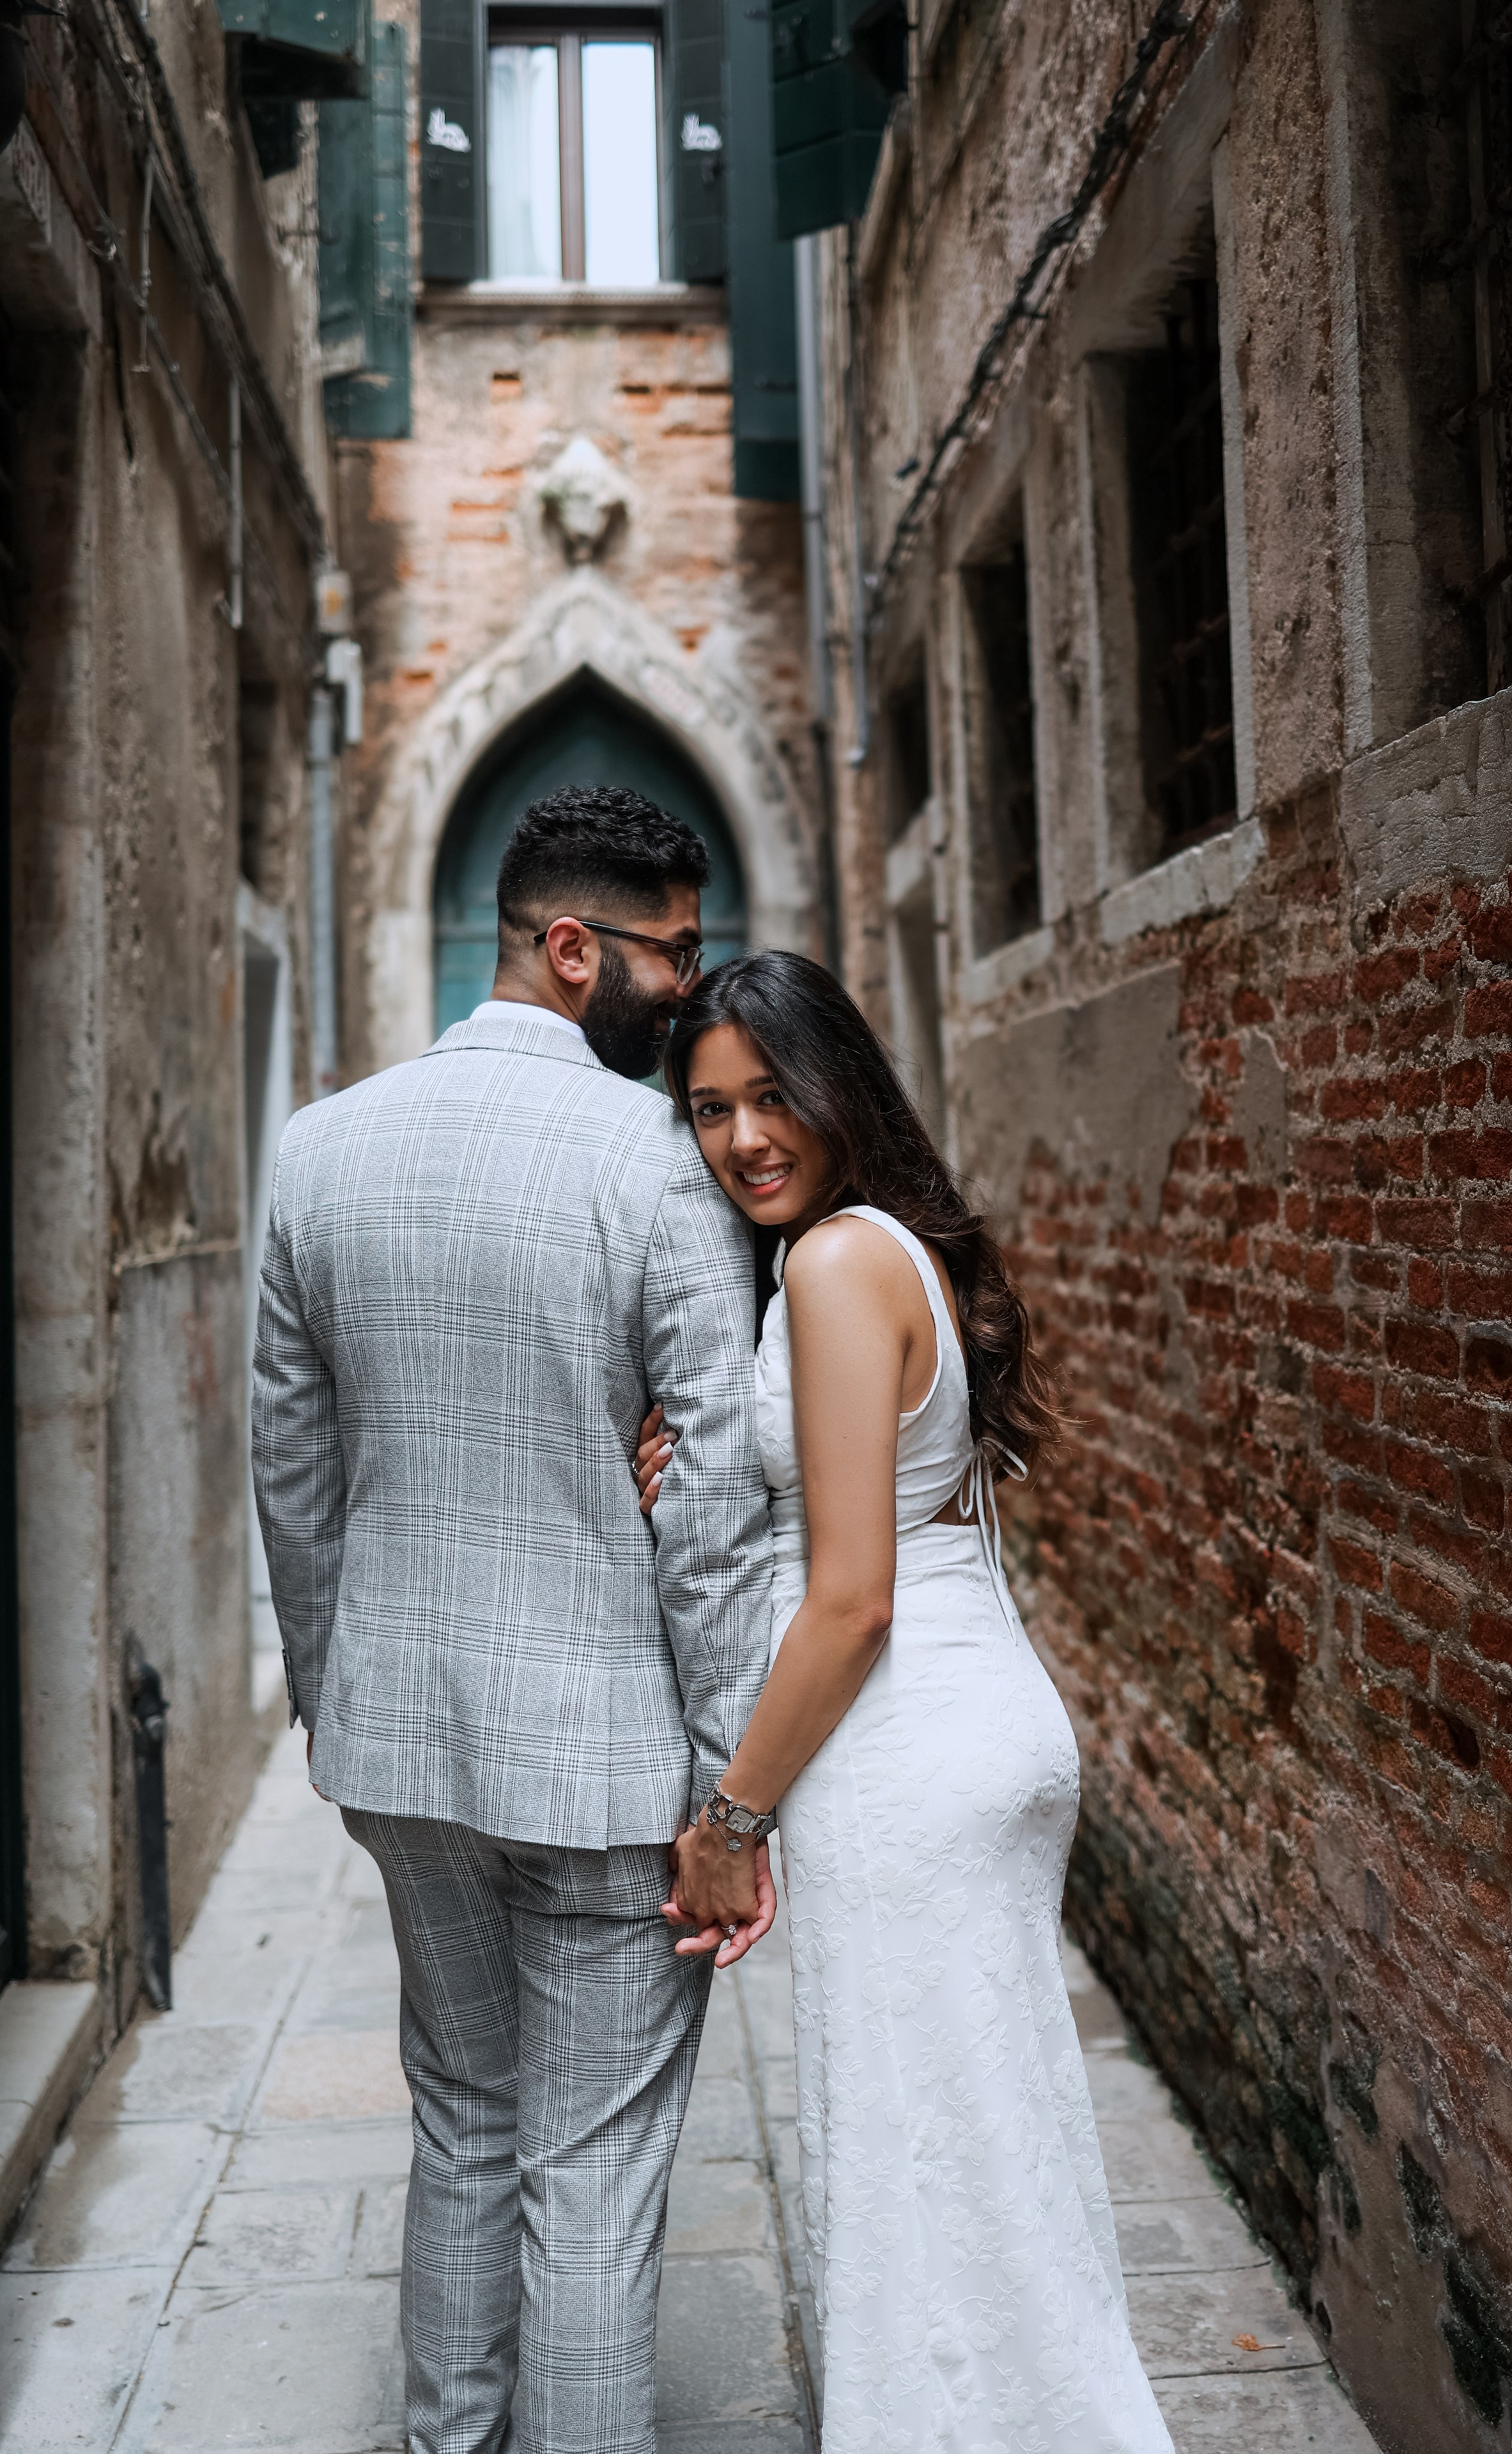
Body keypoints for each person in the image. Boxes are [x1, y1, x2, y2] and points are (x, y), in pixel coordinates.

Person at [251, 785, 774, 2454]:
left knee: (467, 2132)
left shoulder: (317, 1151)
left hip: (403, 1743)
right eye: (672, 957)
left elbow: (292, 1466)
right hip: (616, 1765)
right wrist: (729, 1790)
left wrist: (341, 1701)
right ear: (571, 949)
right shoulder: (662, 1168)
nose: (688, 990)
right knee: (595, 2174)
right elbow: (699, 1513)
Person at [640, 950, 1176, 2454]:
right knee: (991, 2149)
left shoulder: (827, 1264)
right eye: (706, 1111)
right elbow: (866, 1497)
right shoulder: (888, 1246)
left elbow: (849, 1596)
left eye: (768, 1098)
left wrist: (727, 1819)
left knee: (911, 2166)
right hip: (979, 1713)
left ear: (836, 1090)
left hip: (903, 1751)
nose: (741, 1138)